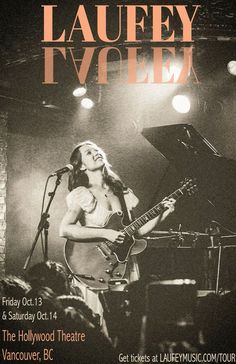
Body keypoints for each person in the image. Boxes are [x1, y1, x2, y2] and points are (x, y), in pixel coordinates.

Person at [59, 141, 175, 319]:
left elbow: (135, 232)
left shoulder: (121, 191)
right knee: (99, 320)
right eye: (89, 153)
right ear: (82, 166)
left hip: (123, 263)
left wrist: (163, 214)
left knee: (128, 320)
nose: (96, 152)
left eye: (97, 150)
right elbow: (65, 229)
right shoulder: (82, 193)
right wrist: (106, 233)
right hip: (94, 265)